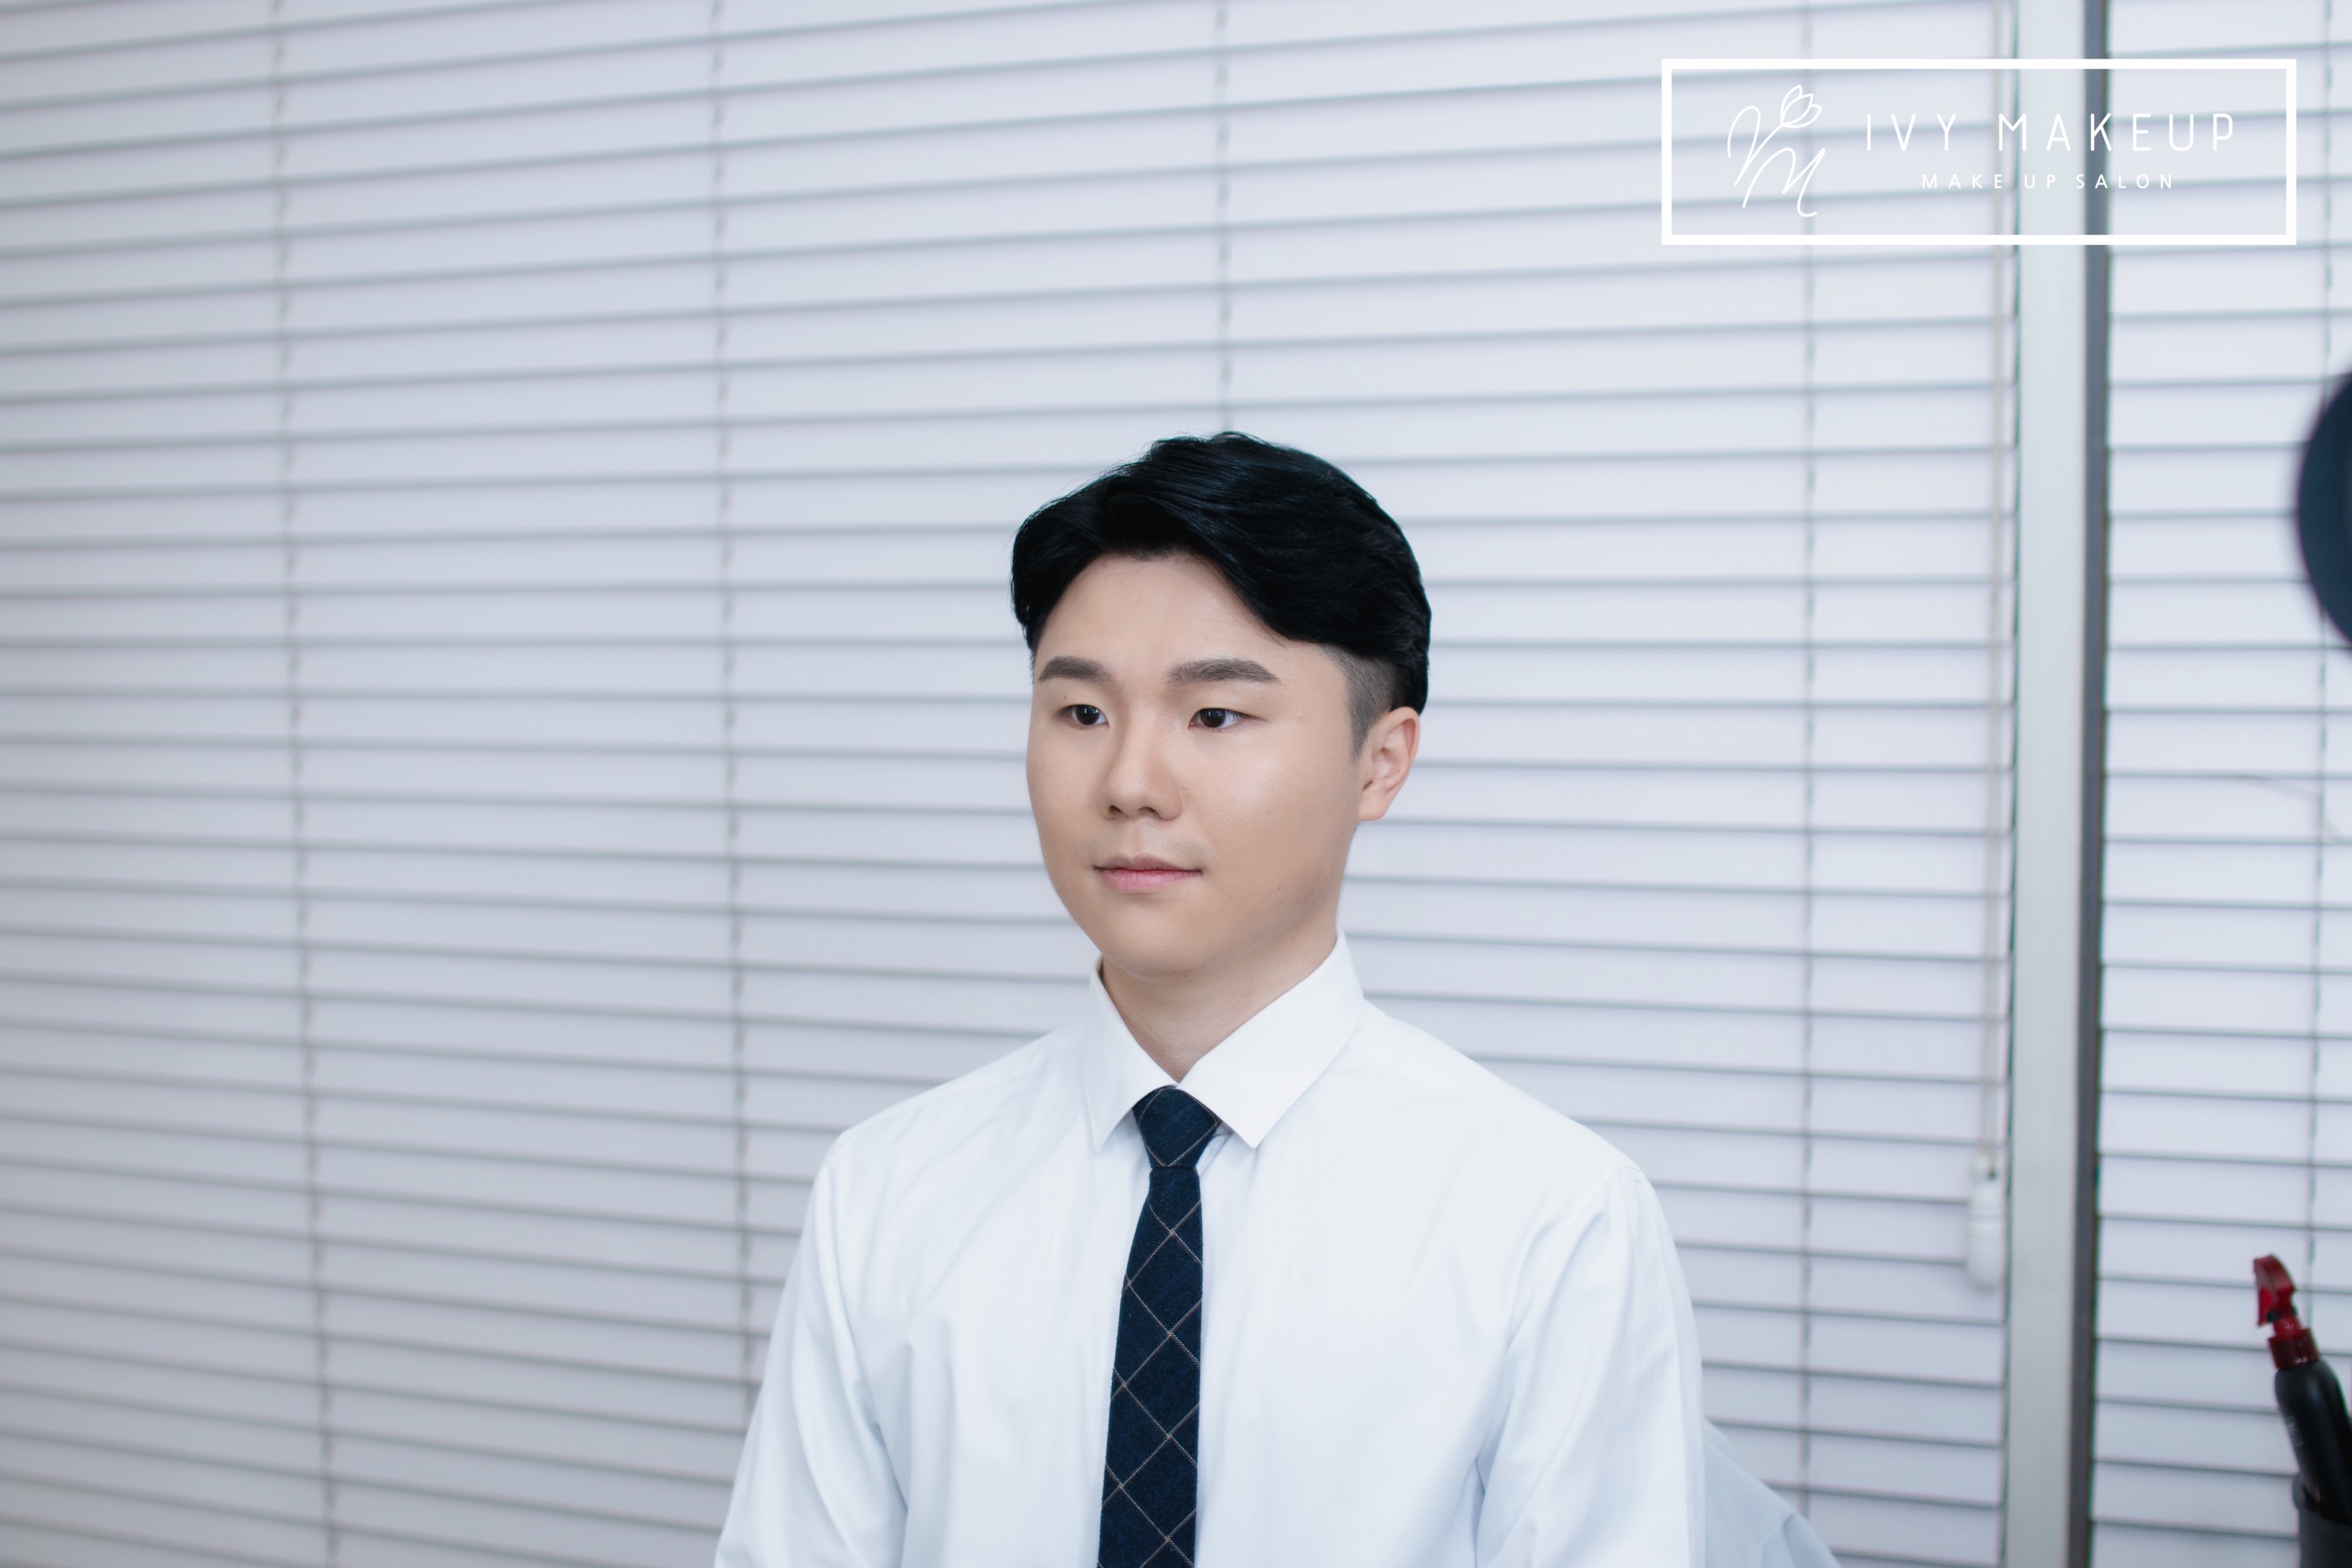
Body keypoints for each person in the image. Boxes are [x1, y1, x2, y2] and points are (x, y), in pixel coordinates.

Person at [715, 433, 1708, 1567]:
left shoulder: (1549, 1222)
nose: (1129, 784)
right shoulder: (886, 1195)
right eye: (1081, 714)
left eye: (1214, 717)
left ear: (1380, 762)